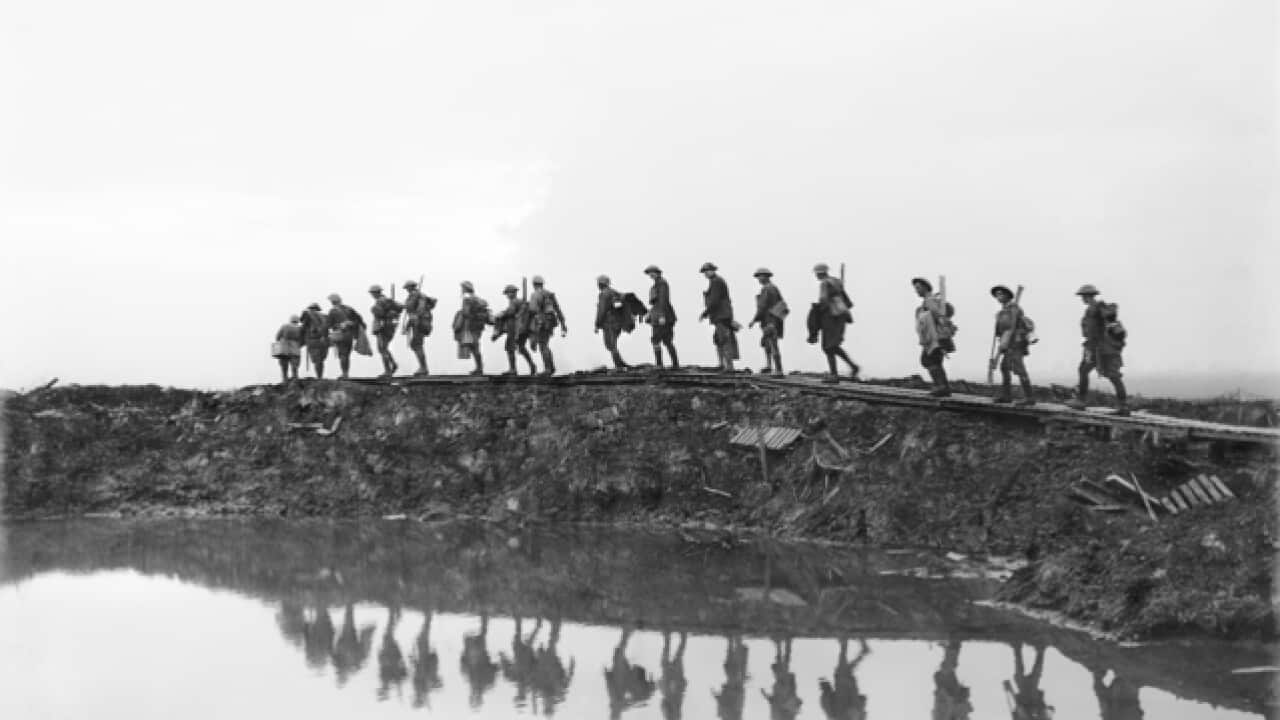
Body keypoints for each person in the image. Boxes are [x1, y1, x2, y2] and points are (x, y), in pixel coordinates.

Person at [1066, 284, 1129, 416]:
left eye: (1083, 296)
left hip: (1098, 347)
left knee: (1104, 374)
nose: (1082, 298)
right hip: (1097, 346)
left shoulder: (1096, 307)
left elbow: (1108, 321)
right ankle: (1122, 405)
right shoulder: (1093, 308)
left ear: (1088, 296)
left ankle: (1081, 400)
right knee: (1108, 375)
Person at [810, 263, 860, 383]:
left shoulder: (825, 283)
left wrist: (816, 313)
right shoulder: (837, 282)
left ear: (820, 273)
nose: (816, 276)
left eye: (817, 273)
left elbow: (824, 300)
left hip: (830, 317)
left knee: (828, 346)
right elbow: (847, 302)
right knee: (833, 346)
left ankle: (834, 374)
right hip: (841, 315)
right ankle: (853, 366)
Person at [989, 285, 1036, 406]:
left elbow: (1012, 327)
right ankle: (1006, 396)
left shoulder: (1014, 309)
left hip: (1016, 342)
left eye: (1001, 294)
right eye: (997, 295)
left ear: (1007, 296)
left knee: (1019, 368)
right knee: (1004, 367)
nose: (998, 297)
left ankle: (1029, 397)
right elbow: (1002, 330)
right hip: (1006, 343)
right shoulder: (1002, 312)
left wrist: (1007, 340)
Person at [912, 277, 953, 397]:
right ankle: (943, 386)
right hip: (934, 337)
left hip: (935, 338)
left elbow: (939, 316)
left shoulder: (930, 300)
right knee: (935, 361)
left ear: (925, 287)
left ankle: (941, 386)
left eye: (918, 288)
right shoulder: (929, 300)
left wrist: (944, 334)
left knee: (928, 360)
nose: (916, 291)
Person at [699, 262, 737, 372]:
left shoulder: (716, 281)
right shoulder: (715, 281)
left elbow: (714, 301)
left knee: (724, 339)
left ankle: (728, 366)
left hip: (722, 315)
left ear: (713, 270)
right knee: (718, 339)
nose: (705, 273)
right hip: (719, 315)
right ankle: (722, 364)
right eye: (704, 272)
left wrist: (705, 313)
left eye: (707, 271)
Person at [492, 284, 537, 376]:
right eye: (507, 293)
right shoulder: (520, 302)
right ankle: (532, 365)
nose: (507, 295)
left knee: (510, 348)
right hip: (523, 330)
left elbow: (511, 312)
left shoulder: (514, 301)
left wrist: (501, 314)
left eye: (508, 293)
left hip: (514, 329)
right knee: (521, 348)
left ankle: (513, 369)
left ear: (513, 293)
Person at [527, 275, 567, 376]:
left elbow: (533, 310)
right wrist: (563, 324)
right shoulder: (549, 294)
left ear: (534, 285)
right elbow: (557, 309)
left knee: (543, 345)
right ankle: (551, 368)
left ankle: (548, 369)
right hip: (551, 321)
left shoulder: (535, 294)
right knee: (545, 344)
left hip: (542, 321)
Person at [749, 268, 786, 376]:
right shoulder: (773, 288)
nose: (758, 279)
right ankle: (769, 366)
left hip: (769, 321)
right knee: (767, 344)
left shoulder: (767, 289)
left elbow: (762, 307)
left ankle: (778, 370)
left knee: (772, 344)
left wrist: (754, 320)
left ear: (766, 276)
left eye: (760, 276)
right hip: (772, 320)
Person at [644, 265, 680, 370]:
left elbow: (663, 300)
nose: (651, 274)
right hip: (662, 316)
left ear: (658, 272)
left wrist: (662, 316)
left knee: (656, 340)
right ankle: (674, 364)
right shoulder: (658, 284)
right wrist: (650, 314)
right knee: (667, 340)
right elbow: (656, 303)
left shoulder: (662, 283)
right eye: (649, 273)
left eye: (652, 272)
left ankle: (659, 365)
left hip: (663, 317)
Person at [454, 281, 491, 375]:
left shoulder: (467, 298)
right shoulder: (477, 298)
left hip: (470, 325)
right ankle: (479, 367)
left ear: (465, 288)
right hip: (478, 325)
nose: (461, 290)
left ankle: (479, 368)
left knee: (474, 347)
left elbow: (466, 312)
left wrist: (460, 314)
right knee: (474, 346)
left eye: (462, 288)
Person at [595, 274, 631, 369]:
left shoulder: (604, 294)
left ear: (601, 283)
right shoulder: (615, 292)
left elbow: (602, 310)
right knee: (612, 344)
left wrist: (597, 324)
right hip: (618, 323)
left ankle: (619, 365)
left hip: (609, 323)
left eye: (598, 283)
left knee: (610, 344)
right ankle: (620, 363)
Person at [326, 293, 366, 379]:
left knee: (342, 355)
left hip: (340, 334)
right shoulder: (349, 309)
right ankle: (346, 373)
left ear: (333, 301)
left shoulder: (333, 311)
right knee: (346, 355)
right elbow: (359, 320)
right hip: (350, 335)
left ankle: (345, 374)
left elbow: (328, 325)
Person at [368, 284, 404, 378]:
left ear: (376, 293)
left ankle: (387, 371)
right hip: (390, 326)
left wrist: (374, 310)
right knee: (384, 348)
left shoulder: (380, 301)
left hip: (382, 327)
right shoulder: (388, 301)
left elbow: (380, 313)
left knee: (382, 349)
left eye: (372, 293)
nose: (372, 295)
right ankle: (393, 364)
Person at [402, 279, 436, 376]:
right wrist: (408, 325)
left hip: (420, 323)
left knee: (416, 344)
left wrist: (415, 318)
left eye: (407, 288)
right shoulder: (414, 296)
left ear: (411, 287)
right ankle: (423, 367)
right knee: (416, 344)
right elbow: (411, 312)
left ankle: (423, 368)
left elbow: (420, 309)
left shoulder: (420, 296)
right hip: (416, 322)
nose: (407, 290)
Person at [299, 302, 330, 379]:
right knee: (321, 360)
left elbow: (303, 328)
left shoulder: (308, 315)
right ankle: (320, 376)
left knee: (317, 360)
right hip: (324, 341)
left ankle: (319, 377)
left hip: (313, 340)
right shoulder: (325, 316)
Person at [273, 314, 302, 383]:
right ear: (297, 320)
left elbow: (277, 337)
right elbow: (302, 340)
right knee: (294, 367)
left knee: (284, 367)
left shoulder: (285, 326)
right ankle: (295, 380)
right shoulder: (300, 328)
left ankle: (285, 380)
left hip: (284, 349)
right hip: (295, 349)